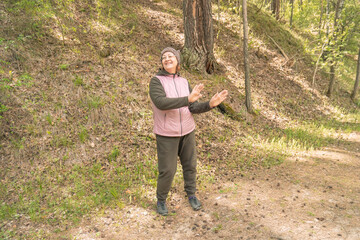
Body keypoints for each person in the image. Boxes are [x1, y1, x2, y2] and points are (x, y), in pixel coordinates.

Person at [149, 47, 228, 216]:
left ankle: (191, 194)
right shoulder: (156, 81)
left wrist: (210, 104)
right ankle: (161, 200)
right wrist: (187, 99)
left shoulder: (184, 81)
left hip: (187, 131)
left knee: (190, 166)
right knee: (168, 170)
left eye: (171, 56)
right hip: (166, 134)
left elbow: (192, 107)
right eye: (164, 57)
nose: (167, 58)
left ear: (177, 60)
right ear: (162, 63)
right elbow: (161, 103)